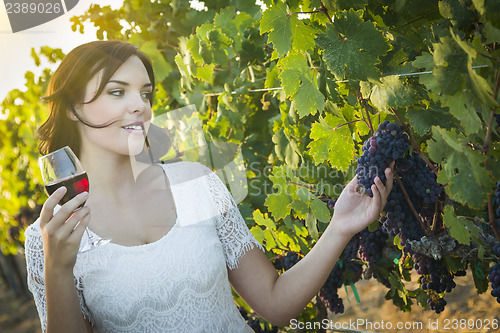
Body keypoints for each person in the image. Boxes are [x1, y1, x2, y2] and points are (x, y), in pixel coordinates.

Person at [24, 40, 394, 333]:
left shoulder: (194, 182)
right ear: (74, 107)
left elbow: (275, 303)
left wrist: (339, 227)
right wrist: (57, 270)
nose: (140, 105)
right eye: (118, 92)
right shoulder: (50, 238)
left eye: (146, 93)